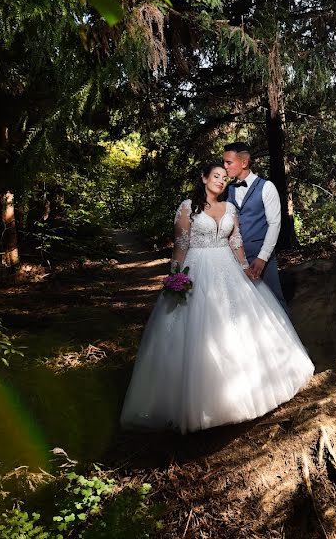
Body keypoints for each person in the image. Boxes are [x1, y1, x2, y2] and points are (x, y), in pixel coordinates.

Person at [119, 163, 314, 434]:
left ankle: (246, 393)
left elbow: (236, 243)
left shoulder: (230, 209)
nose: (221, 181)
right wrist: (176, 276)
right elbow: (181, 245)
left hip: (228, 269)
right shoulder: (188, 206)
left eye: (224, 178)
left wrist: (247, 269)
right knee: (196, 330)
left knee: (241, 325)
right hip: (197, 269)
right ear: (204, 178)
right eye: (216, 176)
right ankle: (199, 403)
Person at [222, 142, 288, 311]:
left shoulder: (266, 187)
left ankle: (285, 336)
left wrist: (263, 257)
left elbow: (274, 224)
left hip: (261, 255)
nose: (225, 167)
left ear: (244, 162)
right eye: (224, 162)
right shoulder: (228, 190)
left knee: (274, 300)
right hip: (236, 258)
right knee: (244, 306)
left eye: (229, 162)